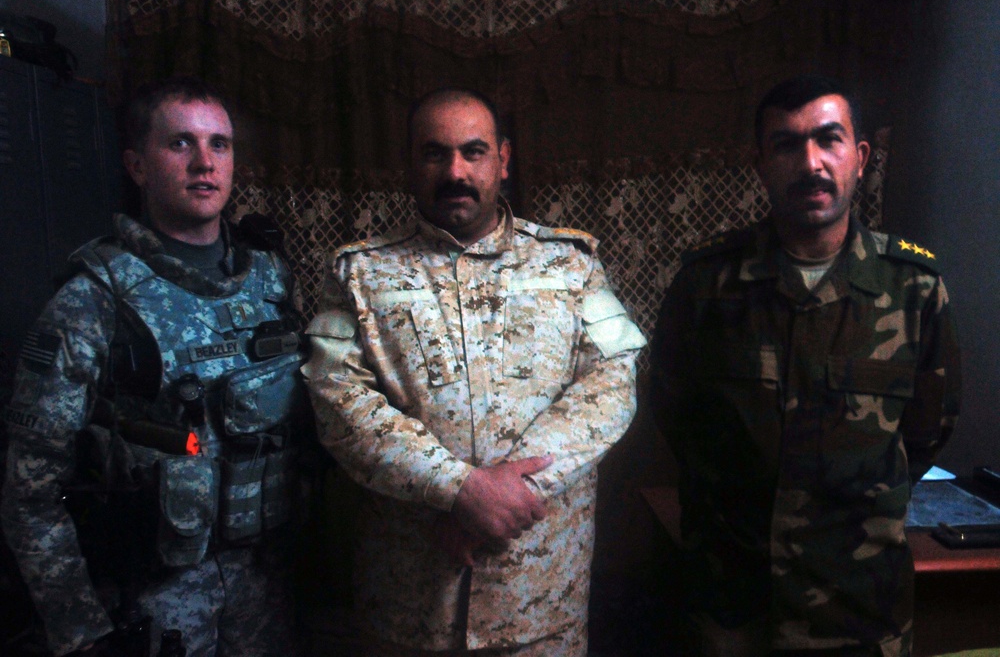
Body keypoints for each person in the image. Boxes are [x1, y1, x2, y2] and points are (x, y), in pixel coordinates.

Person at [302, 87, 646, 656]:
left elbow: (610, 388)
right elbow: (339, 403)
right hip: (410, 606)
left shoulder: (571, 263)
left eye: (474, 151)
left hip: (540, 605)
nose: (455, 171)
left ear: (503, 160)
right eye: (435, 153)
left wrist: (503, 496)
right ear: (411, 163)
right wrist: (458, 489)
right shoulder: (359, 273)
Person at [648, 73, 961, 656]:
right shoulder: (706, 285)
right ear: (760, 163)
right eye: (788, 144)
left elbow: (927, 432)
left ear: (860, 157)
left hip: (860, 610)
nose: (811, 162)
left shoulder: (913, 289)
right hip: (734, 608)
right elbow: (674, 414)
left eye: (828, 139)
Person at [1, 76, 310, 656]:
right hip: (156, 600)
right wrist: (79, 630)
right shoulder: (94, 300)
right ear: (137, 165)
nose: (204, 163)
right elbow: (30, 489)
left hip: (268, 586)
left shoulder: (271, 281)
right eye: (180, 143)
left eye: (220, 144)